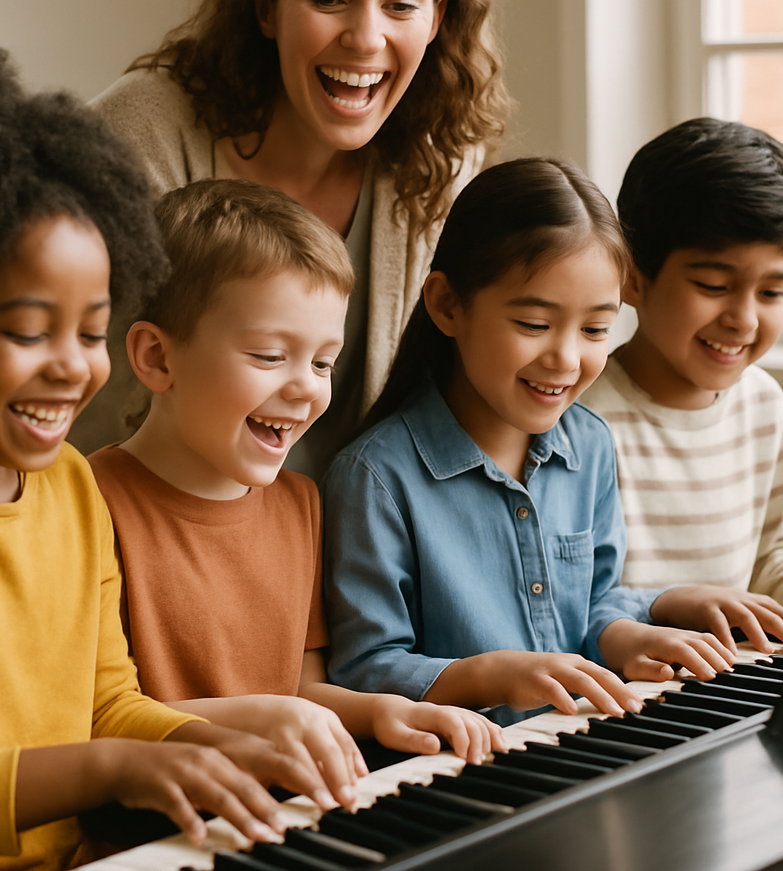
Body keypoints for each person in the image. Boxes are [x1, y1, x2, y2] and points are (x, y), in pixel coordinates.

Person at [0, 48, 342, 871]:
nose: (73, 367)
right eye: (30, 332)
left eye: (92, 330)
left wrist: (230, 743)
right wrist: (118, 767)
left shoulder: (67, 482)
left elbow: (107, 705)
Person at [71, 0, 509, 478]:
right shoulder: (138, 135)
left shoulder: (441, 161)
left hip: (334, 529)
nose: (365, 38)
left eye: (401, 5)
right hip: (118, 512)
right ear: (266, 6)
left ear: (438, 18)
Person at [88, 179, 502, 811]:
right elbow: (98, 716)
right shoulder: (87, 505)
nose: (307, 388)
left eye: (323, 363)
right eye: (269, 355)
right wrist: (266, 717)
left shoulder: (301, 505)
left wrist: (380, 712)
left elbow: (298, 691)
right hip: (155, 831)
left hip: (284, 816)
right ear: (157, 357)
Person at [321, 159, 742, 728]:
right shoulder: (375, 478)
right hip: (459, 761)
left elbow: (596, 600)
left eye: (595, 329)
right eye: (535, 324)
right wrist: (490, 676)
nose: (566, 359)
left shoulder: (589, 444)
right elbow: (362, 670)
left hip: (580, 740)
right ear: (447, 305)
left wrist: (625, 634)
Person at [581, 117, 783, 637]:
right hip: (621, 676)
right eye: (714, 285)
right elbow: (564, 602)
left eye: (772, 292)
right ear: (632, 278)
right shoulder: (579, 420)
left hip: (726, 672)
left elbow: (773, 558)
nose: (744, 320)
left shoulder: (762, 403)